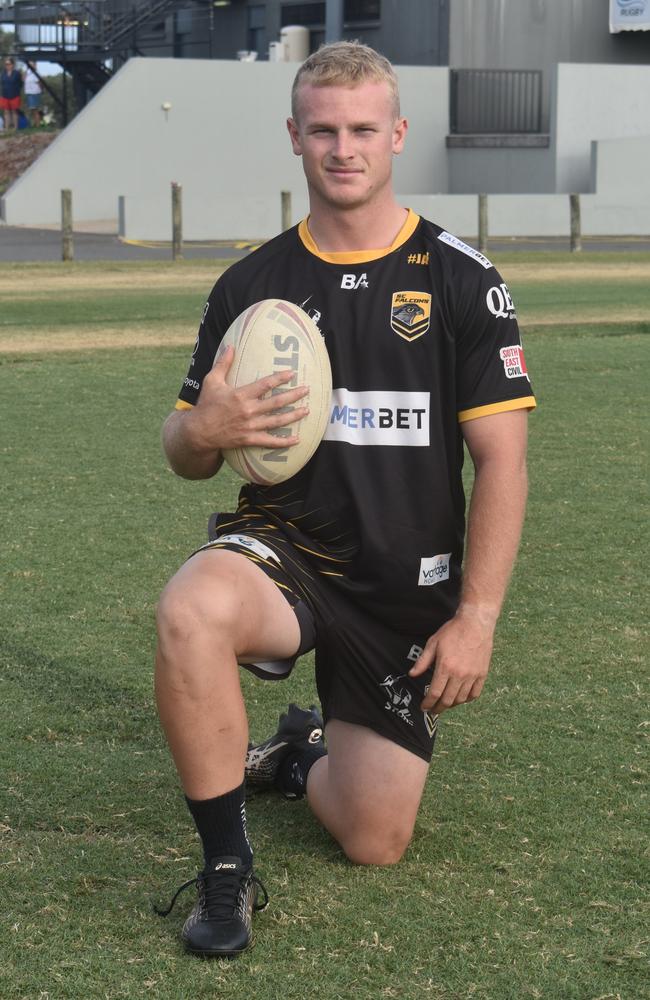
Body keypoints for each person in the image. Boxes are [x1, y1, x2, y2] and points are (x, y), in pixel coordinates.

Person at [154, 41, 535, 958]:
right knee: (190, 611)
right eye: (322, 129)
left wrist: (477, 616)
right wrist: (203, 432)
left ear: (397, 134)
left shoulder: (460, 279)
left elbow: (505, 464)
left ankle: (297, 755)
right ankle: (226, 870)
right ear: (294, 136)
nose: (343, 147)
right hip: (284, 553)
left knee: (375, 838)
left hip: (402, 585)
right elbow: (182, 447)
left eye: (364, 128)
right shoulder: (252, 287)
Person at [0, 57, 22, 131]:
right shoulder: (3, 73)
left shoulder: (17, 73)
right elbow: (2, 83)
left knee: (14, 111)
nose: (7, 65)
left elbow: (20, 84)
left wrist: (17, 91)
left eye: (9, 64)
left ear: (12, 64)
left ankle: (15, 128)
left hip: (14, 95)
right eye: (6, 64)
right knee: (6, 112)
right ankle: (7, 128)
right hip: (5, 95)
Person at [23, 62, 42, 127]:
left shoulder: (36, 72)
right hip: (28, 92)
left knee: (35, 109)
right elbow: (23, 79)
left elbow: (39, 82)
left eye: (32, 64)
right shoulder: (27, 72)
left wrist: (41, 91)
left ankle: (38, 125)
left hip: (35, 92)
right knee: (32, 109)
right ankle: (34, 124)